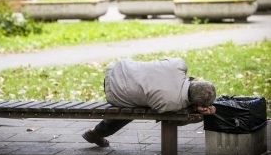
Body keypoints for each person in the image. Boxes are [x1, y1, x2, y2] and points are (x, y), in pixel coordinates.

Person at [82, 58, 216, 147]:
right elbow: (177, 120)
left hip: (117, 69)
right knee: (136, 106)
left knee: (140, 96)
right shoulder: (170, 104)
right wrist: (199, 115)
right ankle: (98, 132)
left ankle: (97, 132)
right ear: (197, 104)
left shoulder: (179, 64)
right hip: (115, 94)